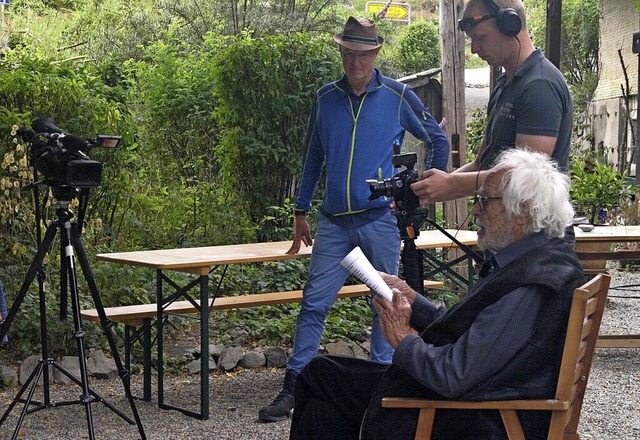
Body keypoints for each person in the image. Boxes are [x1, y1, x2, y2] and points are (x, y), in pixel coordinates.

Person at [290, 148, 585, 440]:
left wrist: (402, 338)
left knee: (319, 374)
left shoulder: (531, 283)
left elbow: (452, 375)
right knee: (321, 411)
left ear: (522, 212)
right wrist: (415, 301)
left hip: (474, 418)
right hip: (481, 402)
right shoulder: (539, 259)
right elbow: (476, 336)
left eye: (484, 201)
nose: (476, 209)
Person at [258, 16, 450, 423]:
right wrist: (299, 209)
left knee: (385, 302)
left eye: (362, 54)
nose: (354, 62)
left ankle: (381, 383)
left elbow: (437, 139)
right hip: (331, 221)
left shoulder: (397, 96)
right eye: (347, 53)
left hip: (379, 218)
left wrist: (421, 190)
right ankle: (295, 384)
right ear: (341, 53)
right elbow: (313, 156)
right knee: (314, 303)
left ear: (375, 53)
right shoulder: (326, 98)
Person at [411, 0, 573, 204]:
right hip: (503, 230)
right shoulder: (506, 85)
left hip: (536, 232)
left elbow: (526, 177)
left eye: (480, 38)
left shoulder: (539, 85)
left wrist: (451, 184)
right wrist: (431, 189)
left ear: (510, 25)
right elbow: (481, 163)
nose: (474, 49)